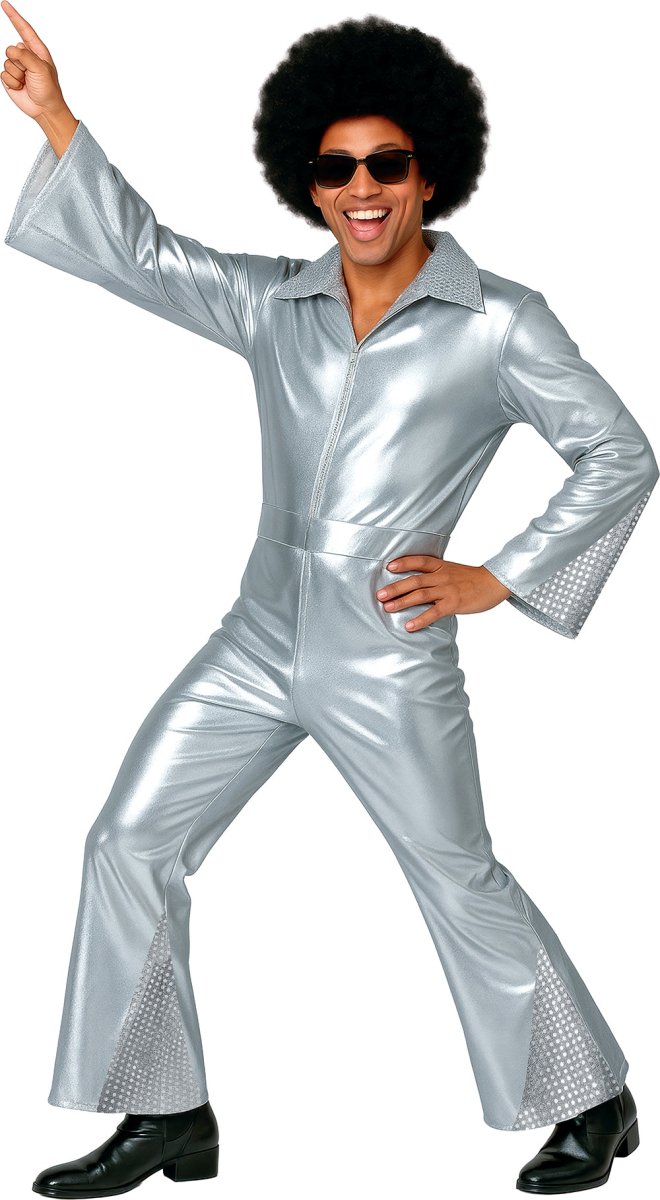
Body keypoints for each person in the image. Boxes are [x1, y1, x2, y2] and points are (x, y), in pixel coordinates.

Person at [3, 4, 656, 1196]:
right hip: (255, 636)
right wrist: (54, 117)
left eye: (386, 165)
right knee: (127, 843)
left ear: (430, 176)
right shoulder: (274, 304)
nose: (361, 190)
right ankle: (166, 1111)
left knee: (456, 875)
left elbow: (619, 452)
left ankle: (589, 1097)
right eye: (335, 169)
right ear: (307, 184)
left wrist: (500, 577)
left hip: (387, 652)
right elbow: (144, 255)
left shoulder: (501, 321)